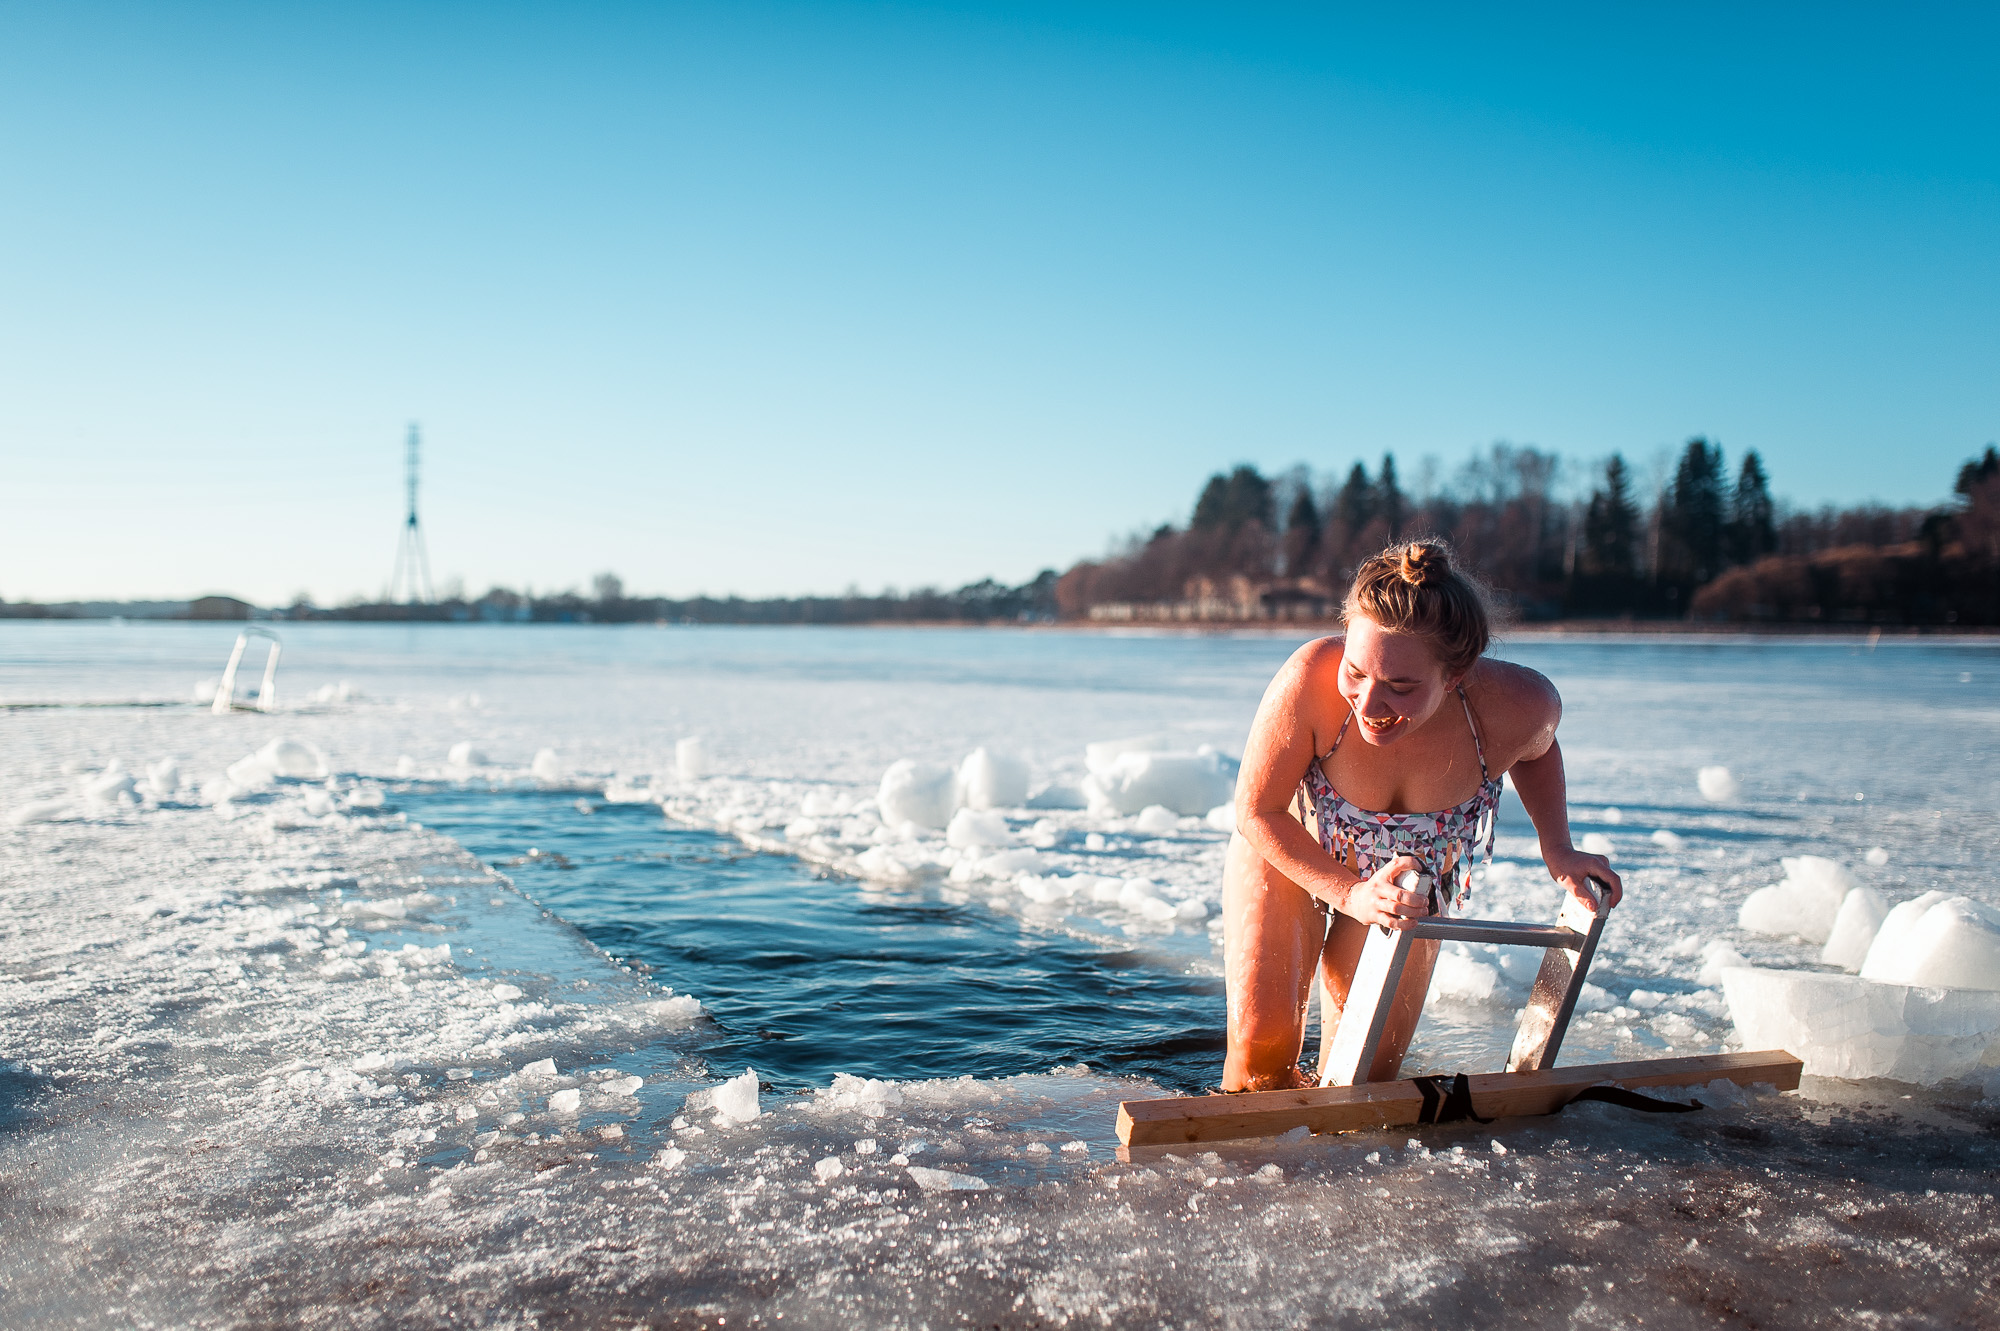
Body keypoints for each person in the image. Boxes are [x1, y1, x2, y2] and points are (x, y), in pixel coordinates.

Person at [1221, 538, 1620, 1091]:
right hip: (1293, 851)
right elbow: (1258, 811)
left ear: (1455, 676)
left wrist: (1559, 848)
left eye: (1401, 686)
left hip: (1409, 884)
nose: (1367, 704)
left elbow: (1537, 749)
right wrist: (1349, 893)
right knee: (1260, 1063)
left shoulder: (1520, 704)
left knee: (1363, 1079)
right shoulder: (1309, 679)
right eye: (1356, 672)